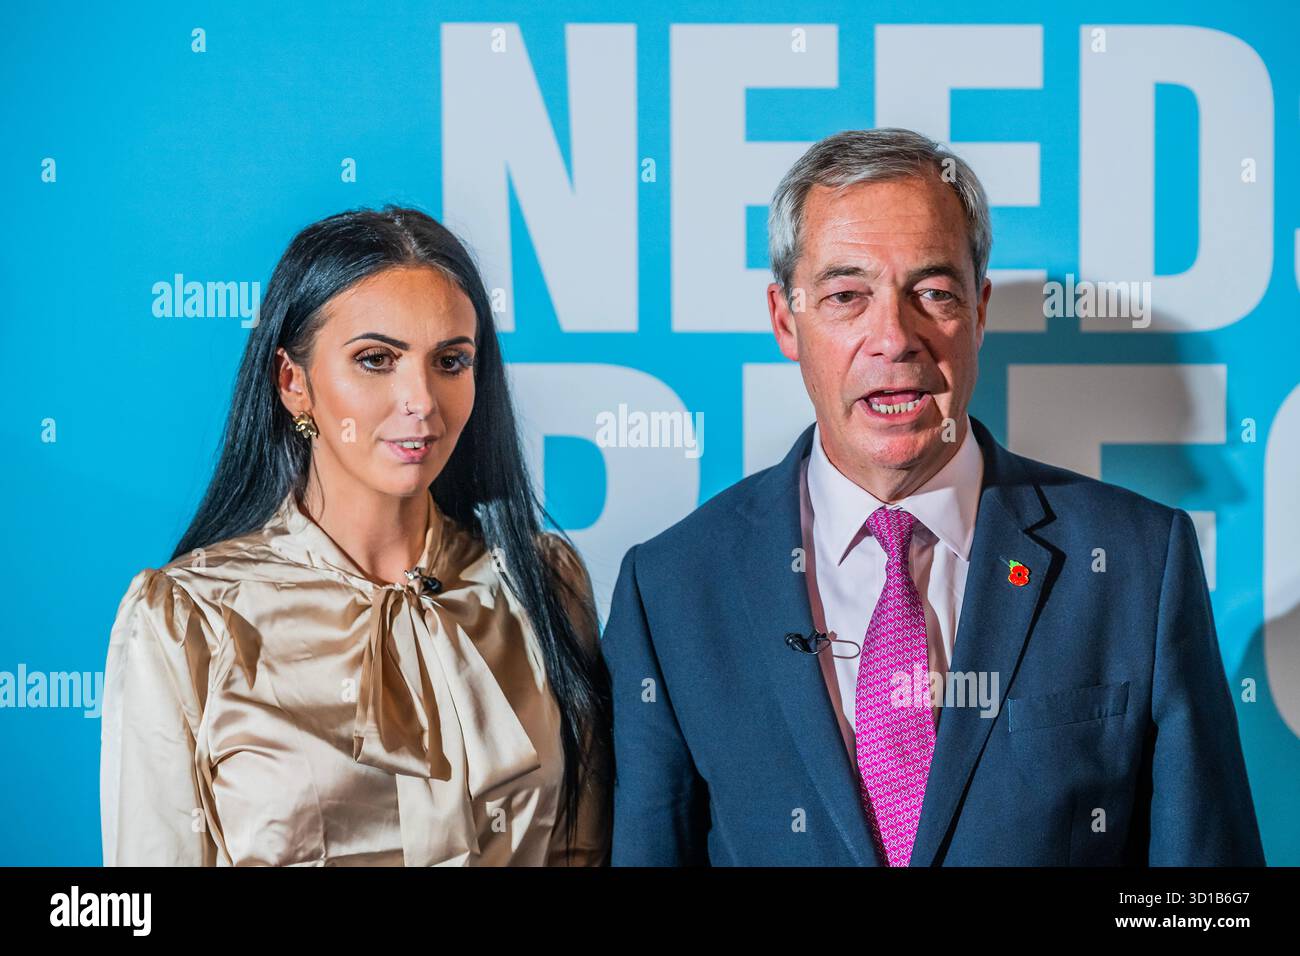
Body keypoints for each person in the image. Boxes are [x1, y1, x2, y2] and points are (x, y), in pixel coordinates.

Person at [602, 128, 1266, 866]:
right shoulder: (669, 588)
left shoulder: (1140, 563)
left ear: (979, 312)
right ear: (786, 319)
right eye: (847, 295)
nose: (894, 337)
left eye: (933, 292)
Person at [101, 206, 610, 866]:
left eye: (451, 361)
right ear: (294, 383)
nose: (421, 400)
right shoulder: (188, 619)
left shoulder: (544, 583)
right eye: (376, 360)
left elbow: (585, 850)